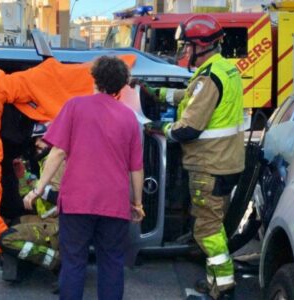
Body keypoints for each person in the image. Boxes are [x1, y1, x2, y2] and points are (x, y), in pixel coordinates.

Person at [140, 15, 245, 300]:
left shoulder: (209, 78)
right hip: (225, 163)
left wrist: (157, 128)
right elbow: (190, 96)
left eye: (187, 46)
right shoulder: (224, 70)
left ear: (201, 46)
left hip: (209, 165)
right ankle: (214, 283)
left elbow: (188, 129)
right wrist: (156, 93)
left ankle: (223, 288)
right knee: (215, 225)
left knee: (207, 231)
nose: (184, 52)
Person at [23, 55, 145, 300]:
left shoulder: (75, 106)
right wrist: (138, 204)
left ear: (95, 79)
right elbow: (136, 168)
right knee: (112, 264)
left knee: (74, 263)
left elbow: (57, 152)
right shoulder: (129, 118)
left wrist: (37, 189)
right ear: (121, 84)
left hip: (77, 202)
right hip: (114, 203)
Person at [0, 124, 63, 272]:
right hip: (47, 219)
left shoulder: (59, 163)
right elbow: (30, 199)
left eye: (41, 138)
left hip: (59, 226)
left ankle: (56, 262)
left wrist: (37, 188)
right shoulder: (44, 162)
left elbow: (62, 198)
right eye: (35, 139)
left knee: (6, 239)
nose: (36, 143)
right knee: (15, 221)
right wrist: (23, 177)